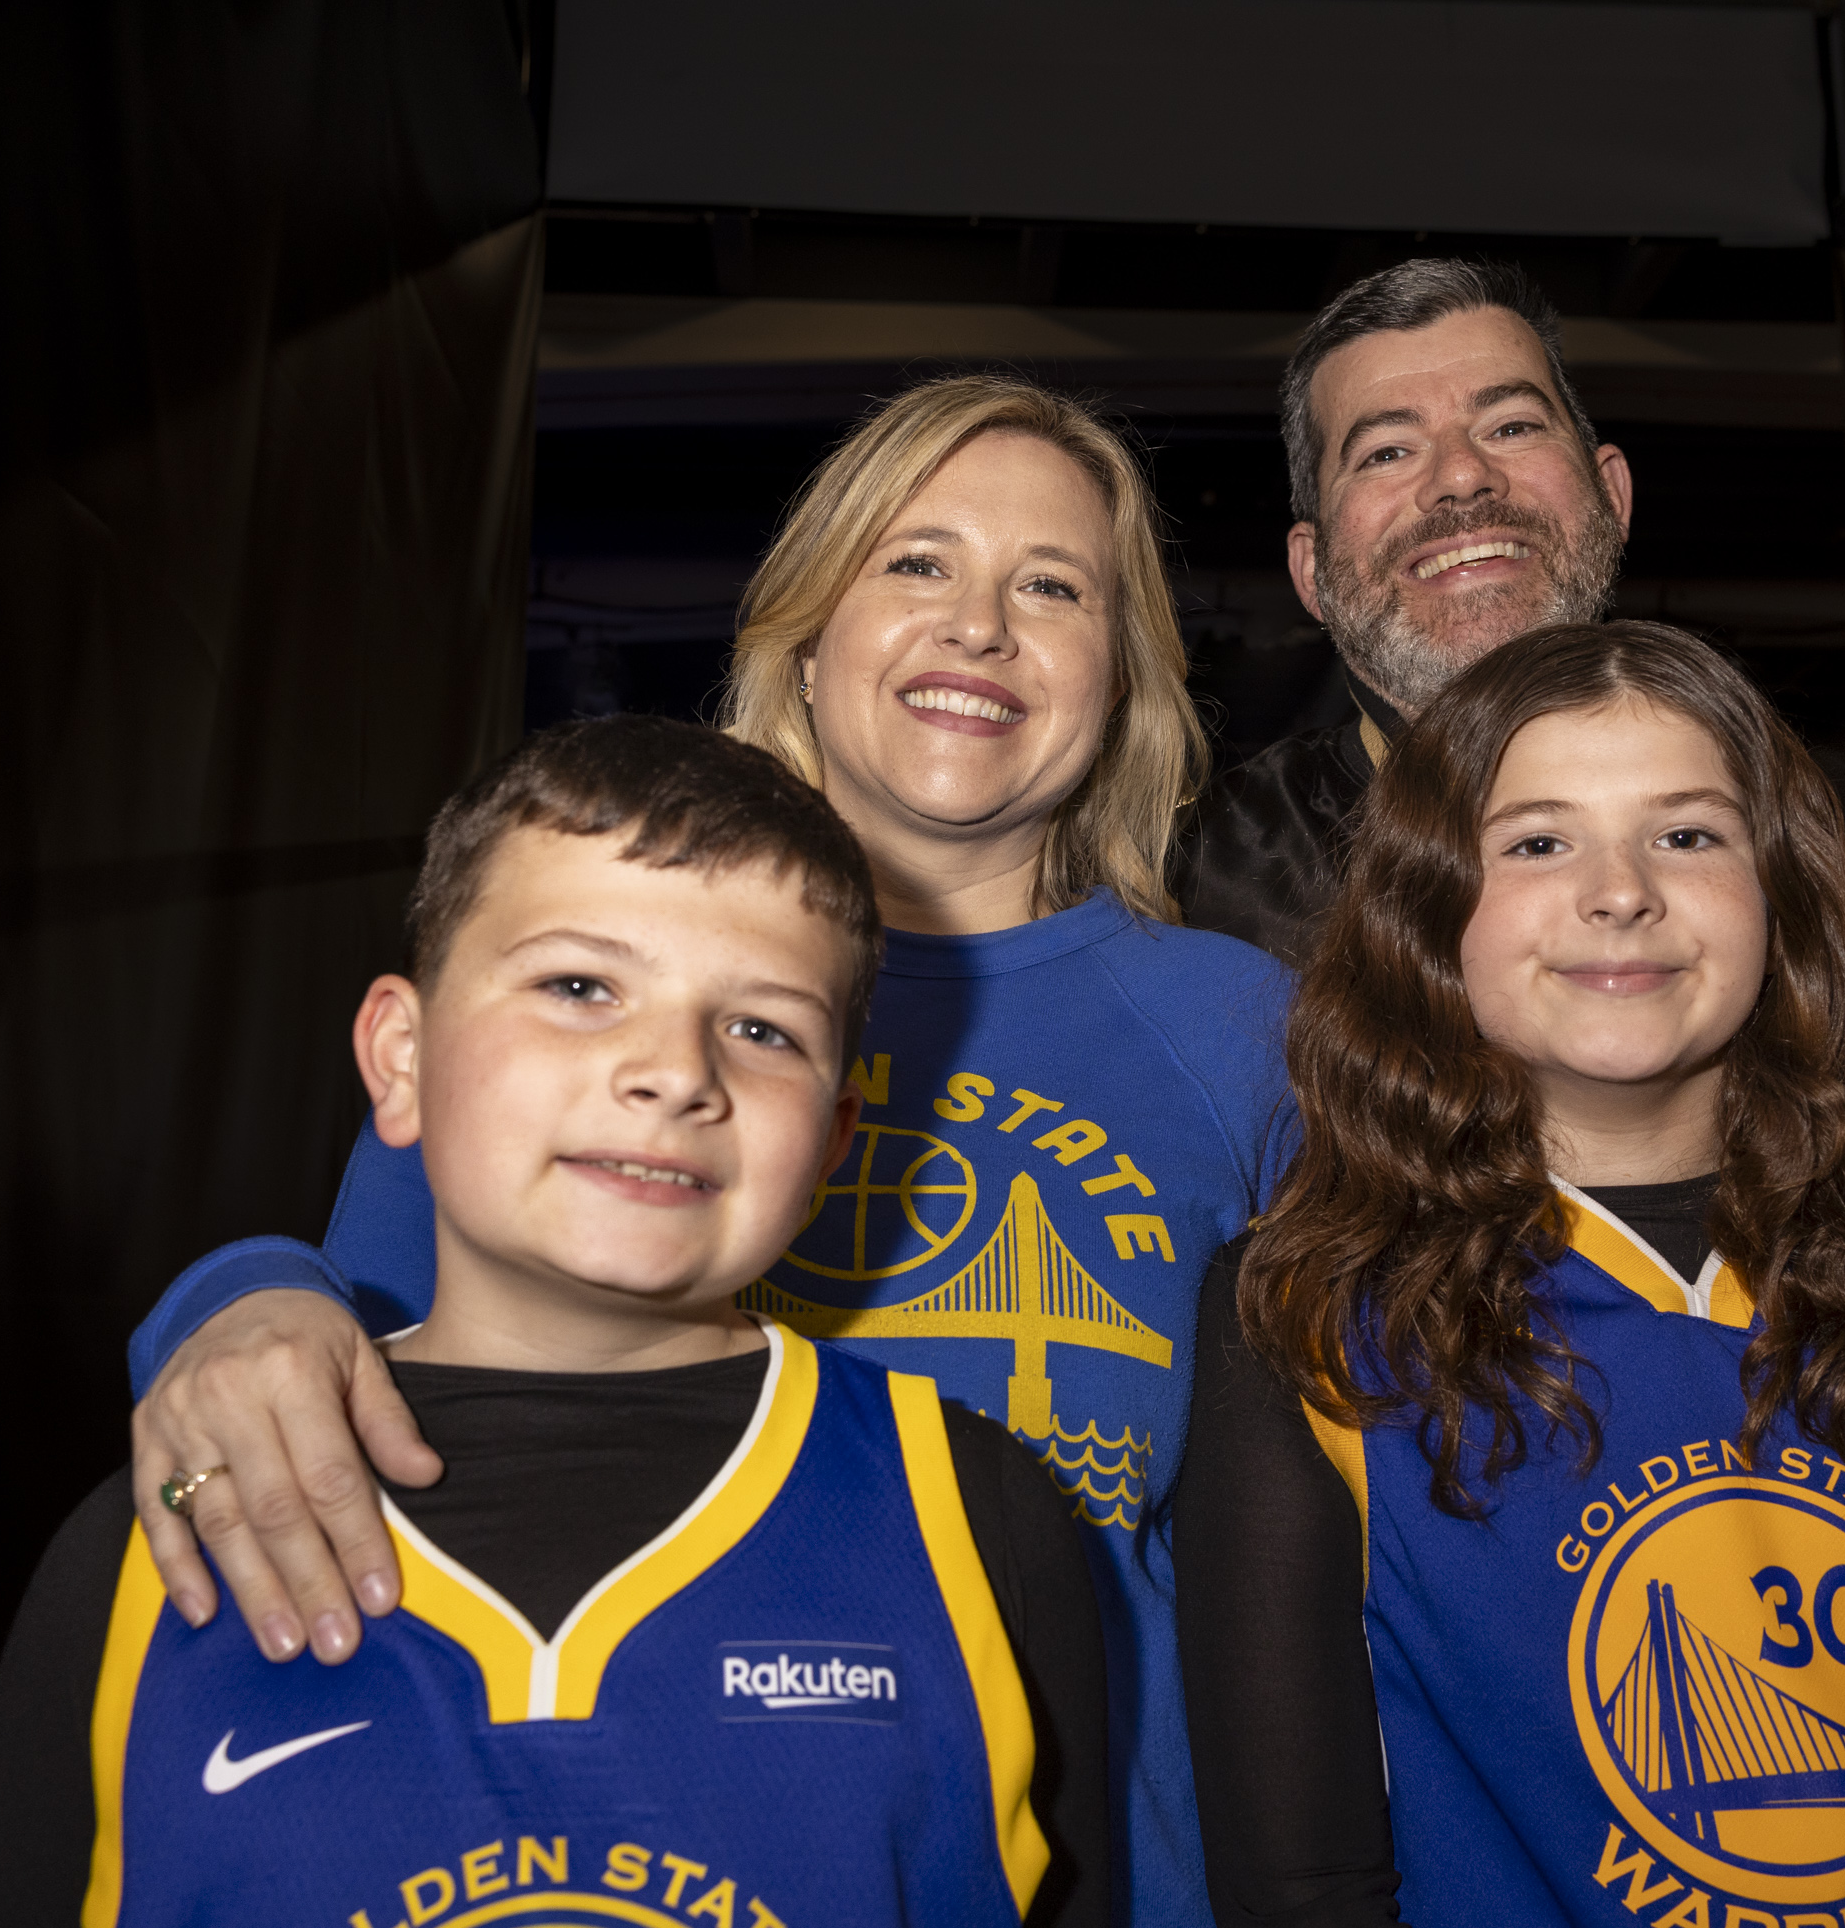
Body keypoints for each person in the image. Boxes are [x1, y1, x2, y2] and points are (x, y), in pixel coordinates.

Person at [118, 379, 1296, 1924]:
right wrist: (234, 1298)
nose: (981, 626)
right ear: (809, 636)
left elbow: (1386, 1464)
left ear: (1122, 678)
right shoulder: (598, 973)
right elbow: (367, 1321)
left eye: (1053, 587)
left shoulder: (1240, 1030)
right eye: (918, 562)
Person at [0, 716, 1107, 1927]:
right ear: (401, 1060)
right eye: (578, 985)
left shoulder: (978, 1522)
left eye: (763, 1028)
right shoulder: (163, 1535)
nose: (676, 1070)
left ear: (829, 1143)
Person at [1178, 622, 1845, 1928]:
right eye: (1538, 840)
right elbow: (1304, 1887)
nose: (1620, 890)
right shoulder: (1305, 1315)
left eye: (1688, 834)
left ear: (1784, 891)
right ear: (1433, 914)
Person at [1177, 258, 1845, 1413]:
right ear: (1310, 567)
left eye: (1510, 423)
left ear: (1610, 493)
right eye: (1387, 450)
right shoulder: (1186, 883)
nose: (1461, 479)